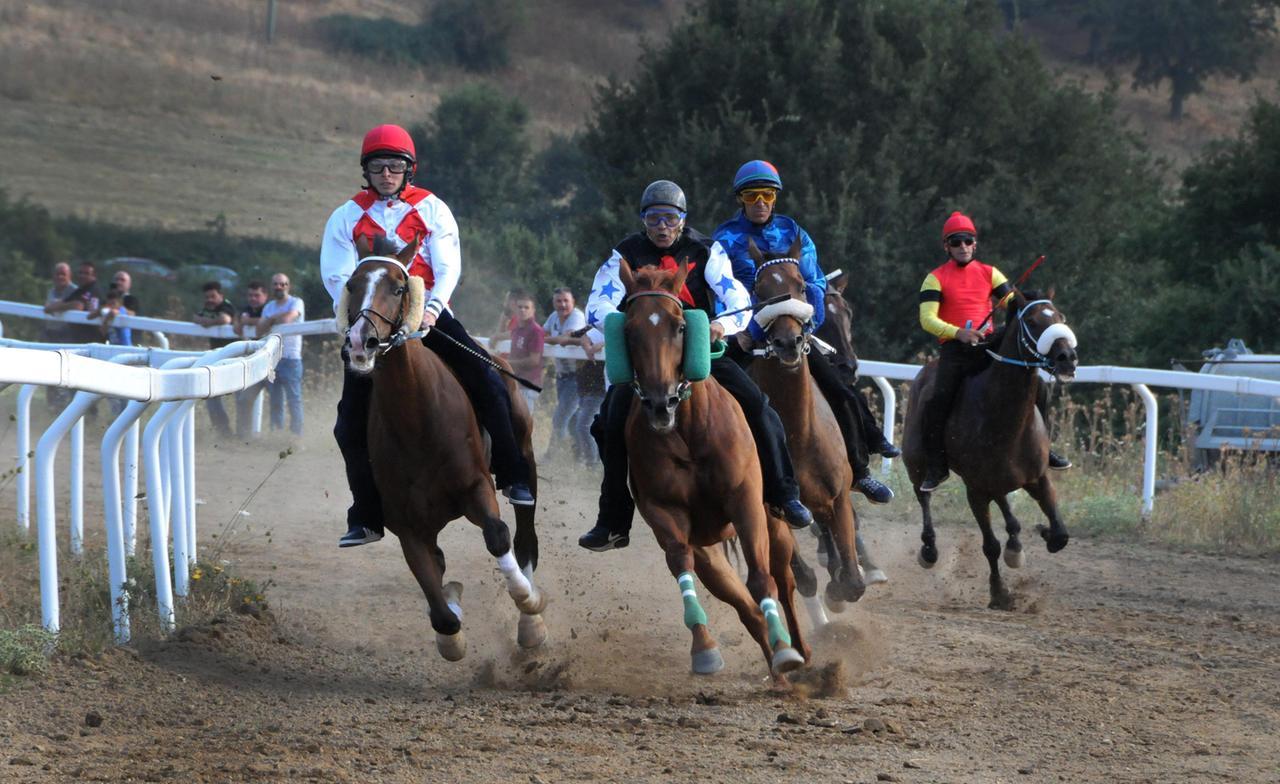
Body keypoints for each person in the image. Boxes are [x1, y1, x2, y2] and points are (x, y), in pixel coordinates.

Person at [321, 123, 534, 548]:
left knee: (492, 383)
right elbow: (337, 274)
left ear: (409, 170)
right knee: (348, 424)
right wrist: (360, 320)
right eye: (378, 166)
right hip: (374, 323)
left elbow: (448, 265)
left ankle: (511, 475)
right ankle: (365, 514)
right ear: (366, 170)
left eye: (395, 166)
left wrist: (432, 310)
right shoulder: (345, 215)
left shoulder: (433, 208)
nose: (386, 174)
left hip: (428, 316)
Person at [576, 179, 813, 553]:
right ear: (644, 221)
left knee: (758, 405)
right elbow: (597, 303)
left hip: (699, 353)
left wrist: (723, 325)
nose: (662, 226)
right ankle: (613, 521)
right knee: (607, 424)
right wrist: (626, 322)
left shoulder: (705, 249)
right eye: (654, 218)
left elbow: (733, 293)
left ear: (682, 220)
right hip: (648, 361)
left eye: (670, 218)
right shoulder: (623, 253)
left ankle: (785, 494)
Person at [713, 160, 896, 504]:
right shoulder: (724, 239)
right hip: (744, 334)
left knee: (841, 391)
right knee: (712, 399)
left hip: (792, 330)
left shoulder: (794, 232)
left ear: (775, 198)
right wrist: (748, 328)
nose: (761, 202)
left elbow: (813, 283)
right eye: (752, 195)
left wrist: (803, 324)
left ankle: (861, 472)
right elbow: (723, 290)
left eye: (768, 194)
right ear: (741, 198)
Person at [917, 211, 1071, 492]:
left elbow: (1013, 305)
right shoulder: (934, 278)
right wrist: (958, 332)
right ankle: (937, 465)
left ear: (974, 244)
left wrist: (1032, 304)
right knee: (936, 400)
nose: (962, 246)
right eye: (956, 242)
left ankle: (1046, 448)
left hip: (989, 345)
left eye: (967, 240)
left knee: (1040, 387)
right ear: (946, 247)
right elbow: (927, 319)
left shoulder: (990, 273)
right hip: (955, 350)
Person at [258, 273, 305, 437]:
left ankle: (296, 436)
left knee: (294, 399)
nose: (279, 287)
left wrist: (270, 320)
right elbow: (259, 330)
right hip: (272, 360)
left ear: (288, 286)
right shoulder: (269, 306)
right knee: (275, 401)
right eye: (276, 284)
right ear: (271, 286)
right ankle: (276, 435)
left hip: (291, 358)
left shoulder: (296, 302)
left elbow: (288, 319)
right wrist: (273, 319)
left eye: (283, 284)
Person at [542, 287, 587, 455]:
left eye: (566, 300)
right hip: (562, 377)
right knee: (573, 421)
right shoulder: (553, 317)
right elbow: (542, 332)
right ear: (554, 303)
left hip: (577, 377)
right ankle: (579, 456)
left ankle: (552, 457)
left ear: (573, 302)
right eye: (558, 301)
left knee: (560, 418)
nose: (562, 304)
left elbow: (565, 338)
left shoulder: (577, 316)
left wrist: (544, 339)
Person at [193, 280, 237, 438]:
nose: (209, 300)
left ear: (221, 295)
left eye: (213, 296)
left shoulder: (226, 306)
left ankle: (241, 432)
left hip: (234, 359)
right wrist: (206, 321)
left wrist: (208, 323)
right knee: (211, 394)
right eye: (207, 297)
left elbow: (226, 319)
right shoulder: (208, 308)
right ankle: (223, 431)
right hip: (216, 359)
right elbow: (195, 317)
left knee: (242, 397)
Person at [234, 281, 269, 439]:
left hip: (272, 363)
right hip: (253, 364)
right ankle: (244, 435)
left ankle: (278, 436)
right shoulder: (246, 310)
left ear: (265, 296)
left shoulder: (270, 308)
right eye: (250, 295)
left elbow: (270, 320)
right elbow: (236, 324)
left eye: (257, 295)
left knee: (277, 402)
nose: (253, 298)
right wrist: (238, 321)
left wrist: (247, 321)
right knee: (244, 400)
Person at [505, 292, 545, 414]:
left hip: (528, 384)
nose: (523, 310)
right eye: (520, 307)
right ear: (515, 309)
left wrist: (507, 364)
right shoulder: (517, 329)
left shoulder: (535, 330)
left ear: (533, 310)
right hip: (516, 383)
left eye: (526, 307)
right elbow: (512, 344)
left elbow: (534, 361)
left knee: (522, 423)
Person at [573, 327, 606, 465]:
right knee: (579, 424)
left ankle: (592, 464)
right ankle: (589, 459)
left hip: (600, 388)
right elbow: (577, 337)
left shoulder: (612, 325)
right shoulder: (592, 328)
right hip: (585, 388)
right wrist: (588, 347)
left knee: (584, 426)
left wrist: (603, 344)